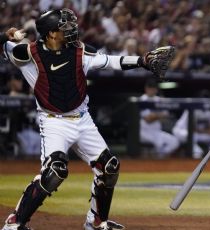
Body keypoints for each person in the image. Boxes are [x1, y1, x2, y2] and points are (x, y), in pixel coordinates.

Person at [0, 8, 173, 230]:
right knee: (54, 172)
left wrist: (142, 60)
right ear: (52, 34)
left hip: (83, 119)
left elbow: (112, 61)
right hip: (54, 121)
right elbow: (6, 46)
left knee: (109, 167)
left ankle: (96, 221)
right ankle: (15, 222)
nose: (72, 30)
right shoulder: (27, 53)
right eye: (65, 27)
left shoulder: (80, 51)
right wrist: (6, 36)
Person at [139, 78, 179, 158]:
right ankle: (157, 162)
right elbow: (148, 119)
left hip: (156, 131)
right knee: (159, 143)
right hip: (144, 132)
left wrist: (155, 115)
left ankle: (160, 158)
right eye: (149, 88)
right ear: (146, 88)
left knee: (175, 141)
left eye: (153, 88)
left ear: (156, 89)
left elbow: (166, 115)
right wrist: (160, 115)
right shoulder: (142, 100)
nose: (151, 90)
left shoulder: (159, 99)